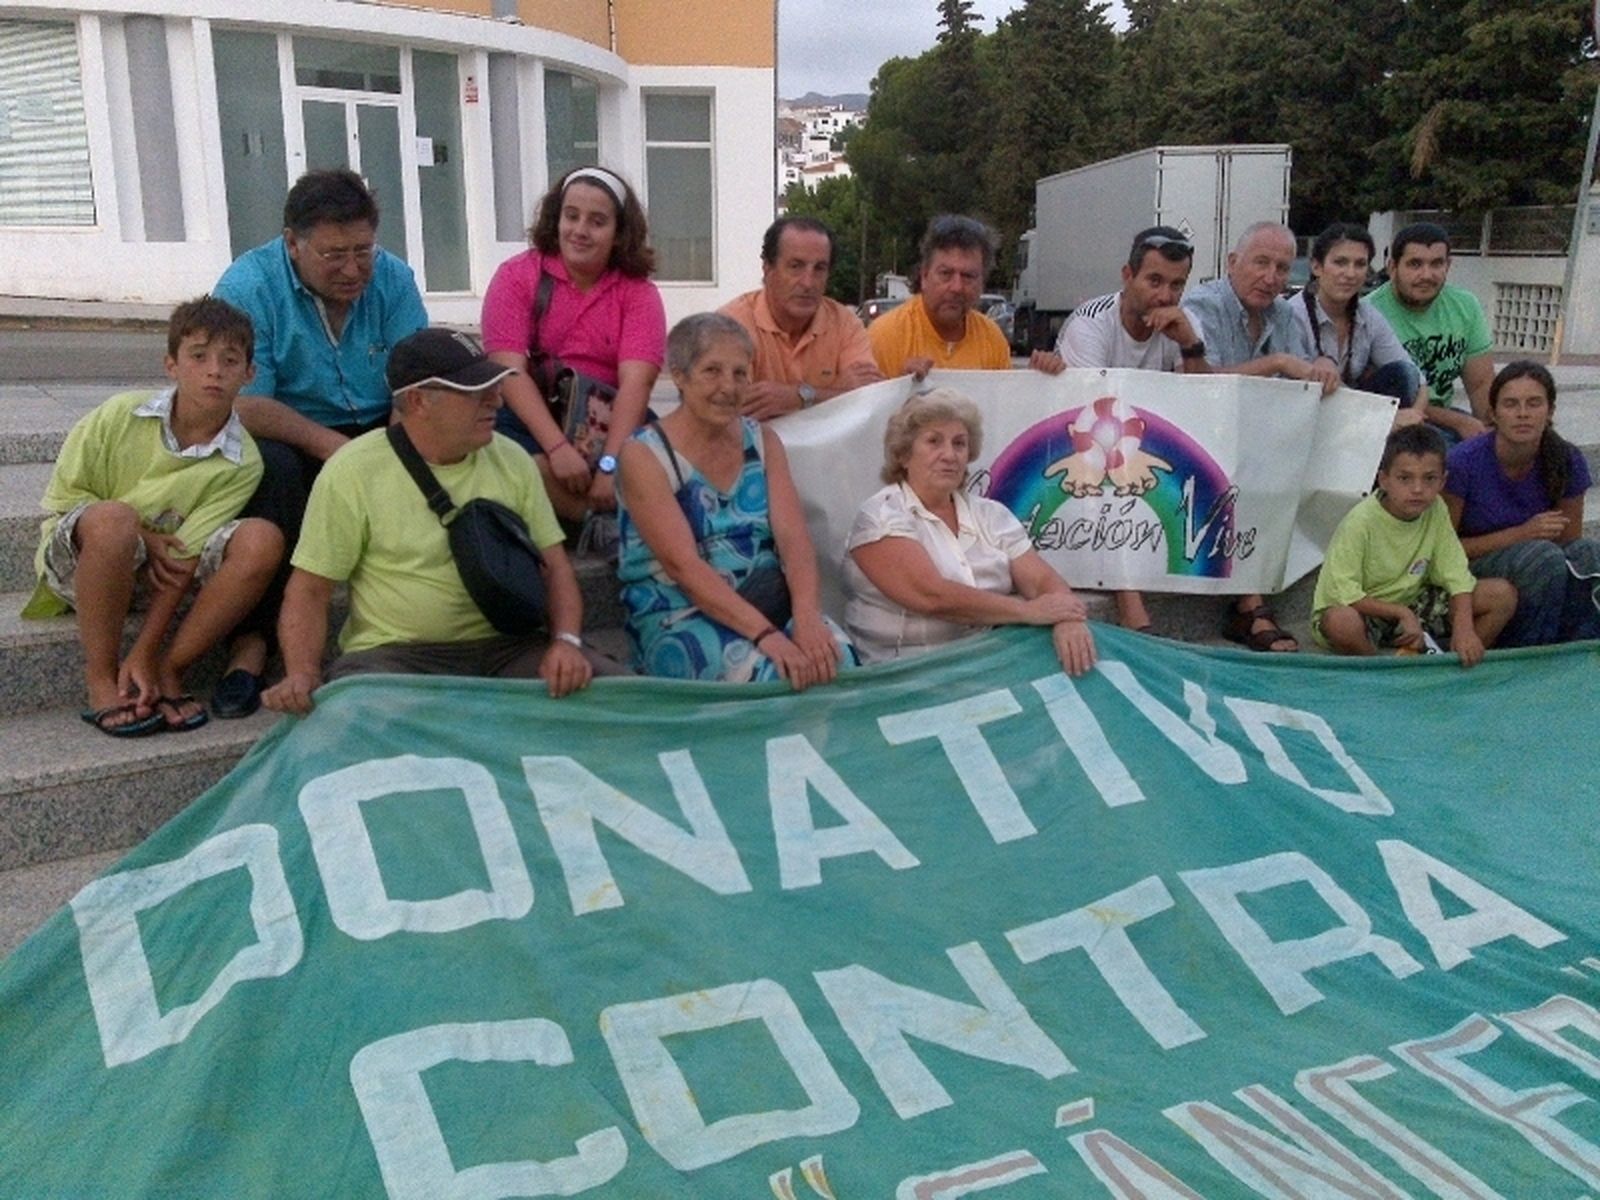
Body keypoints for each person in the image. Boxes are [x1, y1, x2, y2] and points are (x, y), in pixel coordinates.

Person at [261, 329, 600, 716]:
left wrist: (567, 642)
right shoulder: (353, 471)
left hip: (510, 648)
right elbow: (309, 591)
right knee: (355, 717)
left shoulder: (514, 459)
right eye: (476, 391)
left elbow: (555, 568)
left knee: (620, 698)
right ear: (419, 401)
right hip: (396, 660)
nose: (498, 401)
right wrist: (302, 674)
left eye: (495, 386)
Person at [213, 168, 428, 716]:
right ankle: (251, 645)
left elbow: (414, 380)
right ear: (292, 242)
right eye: (334, 255)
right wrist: (335, 447)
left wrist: (399, 446)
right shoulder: (248, 287)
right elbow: (245, 402)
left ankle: (429, 632)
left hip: (377, 423)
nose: (353, 269)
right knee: (276, 472)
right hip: (289, 427)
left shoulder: (394, 279)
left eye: (364, 251)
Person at [23, 297, 283, 735]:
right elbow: (64, 502)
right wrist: (139, 531)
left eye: (230, 360)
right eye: (198, 357)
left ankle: (166, 669)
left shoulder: (244, 462)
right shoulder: (117, 415)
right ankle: (102, 678)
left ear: (249, 374)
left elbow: (184, 558)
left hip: (161, 576)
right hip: (85, 563)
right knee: (115, 519)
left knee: (263, 538)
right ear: (172, 365)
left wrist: (146, 650)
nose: (214, 371)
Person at [616, 313, 853, 688]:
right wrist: (767, 637)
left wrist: (807, 618)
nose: (728, 386)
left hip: (766, 596)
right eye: (712, 371)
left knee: (839, 661)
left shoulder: (763, 442)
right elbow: (683, 569)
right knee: (772, 678)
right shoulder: (644, 456)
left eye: (740, 373)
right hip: (680, 611)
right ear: (679, 376)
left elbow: (794, 541)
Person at [843, 389, 1097, 676]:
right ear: (903, 454)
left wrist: (1068, 620)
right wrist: (1029, 612)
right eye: (933, 441)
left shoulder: (991, 514)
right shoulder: (880, 514)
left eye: (960, 444)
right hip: (903, 674)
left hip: (986, 663)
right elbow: (931, 596)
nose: (949, 455)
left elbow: (1041, 581)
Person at [1181, 221, 1336, 652]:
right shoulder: (1203, 305)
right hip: (1201, 439)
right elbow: (1195, 379)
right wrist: (1277, 364)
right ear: (1233, 263)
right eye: (1261, 263)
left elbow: (1308, 368)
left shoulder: (1286, 314)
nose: (1271, 278)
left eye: (1283, 268)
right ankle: (1251, 605)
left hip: (1260, 444)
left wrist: (1322, 362)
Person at [482, 165, 666, 522]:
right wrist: (557, 449)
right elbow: (508, 371)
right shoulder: (516, 277)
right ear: (556, 219)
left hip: (612, 421)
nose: (580, 231)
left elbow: (636, 384)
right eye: (571, 216)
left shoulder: (639, 293)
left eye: (597, 222)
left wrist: (610, 464)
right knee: (511, 457)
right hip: (534, 416)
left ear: (619, 233)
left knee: (661, 458)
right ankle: (607, 526)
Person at [1056, 225, 1211, 635]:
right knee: (1113, 458)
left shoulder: (1185, 323)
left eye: (1177, 285)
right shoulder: (1090, 324)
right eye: (1154, 281)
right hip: (1083, 444)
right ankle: (1130, 601)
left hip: (1146, 437)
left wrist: (1190, 346)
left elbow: (1203, 404)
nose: (1165, 296)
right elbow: (1091, 411)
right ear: (1128, 276)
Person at [1312, 424, 1515, 667]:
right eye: (1405, 478)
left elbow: (1456, 574)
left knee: (1501, 595)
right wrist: (1401, 613)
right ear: (1384, 480)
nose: (1418, 489)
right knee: (1339, 621)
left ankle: (1449, 666)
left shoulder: (1436, 508)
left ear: (1443, 481)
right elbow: (1344, 593)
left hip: (1414, 601)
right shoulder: (1361, 521)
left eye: (1429, 478)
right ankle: (1379, 670)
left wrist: (1465, 628)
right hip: (1368, 610)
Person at [1443, 361, 1599, 646]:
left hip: (1540, 560)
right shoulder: (1463, 462)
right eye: (1511, 404)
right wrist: (1521, 534)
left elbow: (1570, 544)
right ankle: (1526, 653)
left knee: (1589, 553)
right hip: (1469, 569)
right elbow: (1443, 551)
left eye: (1534, 403)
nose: (1523, 414)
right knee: (1542, 558)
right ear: (1494, 414)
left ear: (1550, 411)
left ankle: (1579, 651)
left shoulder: (1566, 459)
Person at [719, 215, 883, 420]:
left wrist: (799, 397)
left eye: (819, 268)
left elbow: (868, 400)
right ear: (767, 268)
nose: (808, 282)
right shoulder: (730, 327)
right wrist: (835, 392)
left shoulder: (846, 324)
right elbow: (734, 411)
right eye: (796, 266)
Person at [869, 215, 1064, 380]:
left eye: (968, 276)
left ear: (982, 282)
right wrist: (899, 388)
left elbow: (1003, 414)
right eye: (946, 274)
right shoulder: (885, 337)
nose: (957, 287)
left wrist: (1037, 381)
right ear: (924, 276)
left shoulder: (992, 338)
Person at [1368, 221, 1494, 439]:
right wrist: (1461, 422)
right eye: (1415, 264)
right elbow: (1376, 398)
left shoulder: (1465, 306)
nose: (1427, 275)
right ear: (1392, 267)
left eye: (1436, 264)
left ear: (1448, 265)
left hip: (1444, 418)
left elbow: (1481, 385)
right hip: (1393, 423)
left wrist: (1491, 435)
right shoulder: (1369, 313)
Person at [1288, 222, 1426, 414]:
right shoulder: (1291, 315)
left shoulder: (1367, 315)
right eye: (1340, 262)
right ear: (1317, 267)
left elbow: (1416, 378)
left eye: (1360, 264)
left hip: (1362, 416)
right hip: (1308, 415)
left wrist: (1414, 416)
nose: (1350, 274)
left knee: (1403, 373)